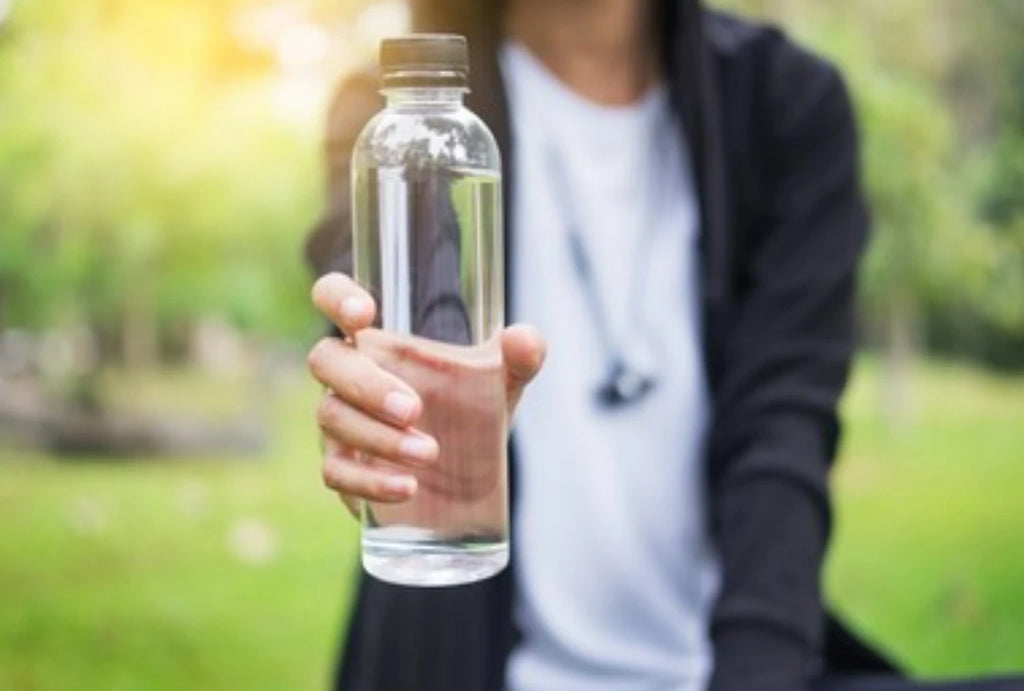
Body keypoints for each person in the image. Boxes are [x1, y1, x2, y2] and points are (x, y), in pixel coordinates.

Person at [304, 1, 1024, 689]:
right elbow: (380, 290)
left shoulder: (787, 104)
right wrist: (387, 393)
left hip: (737, 665)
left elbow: (781, 438)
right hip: (464, 666)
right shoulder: (399, 118)